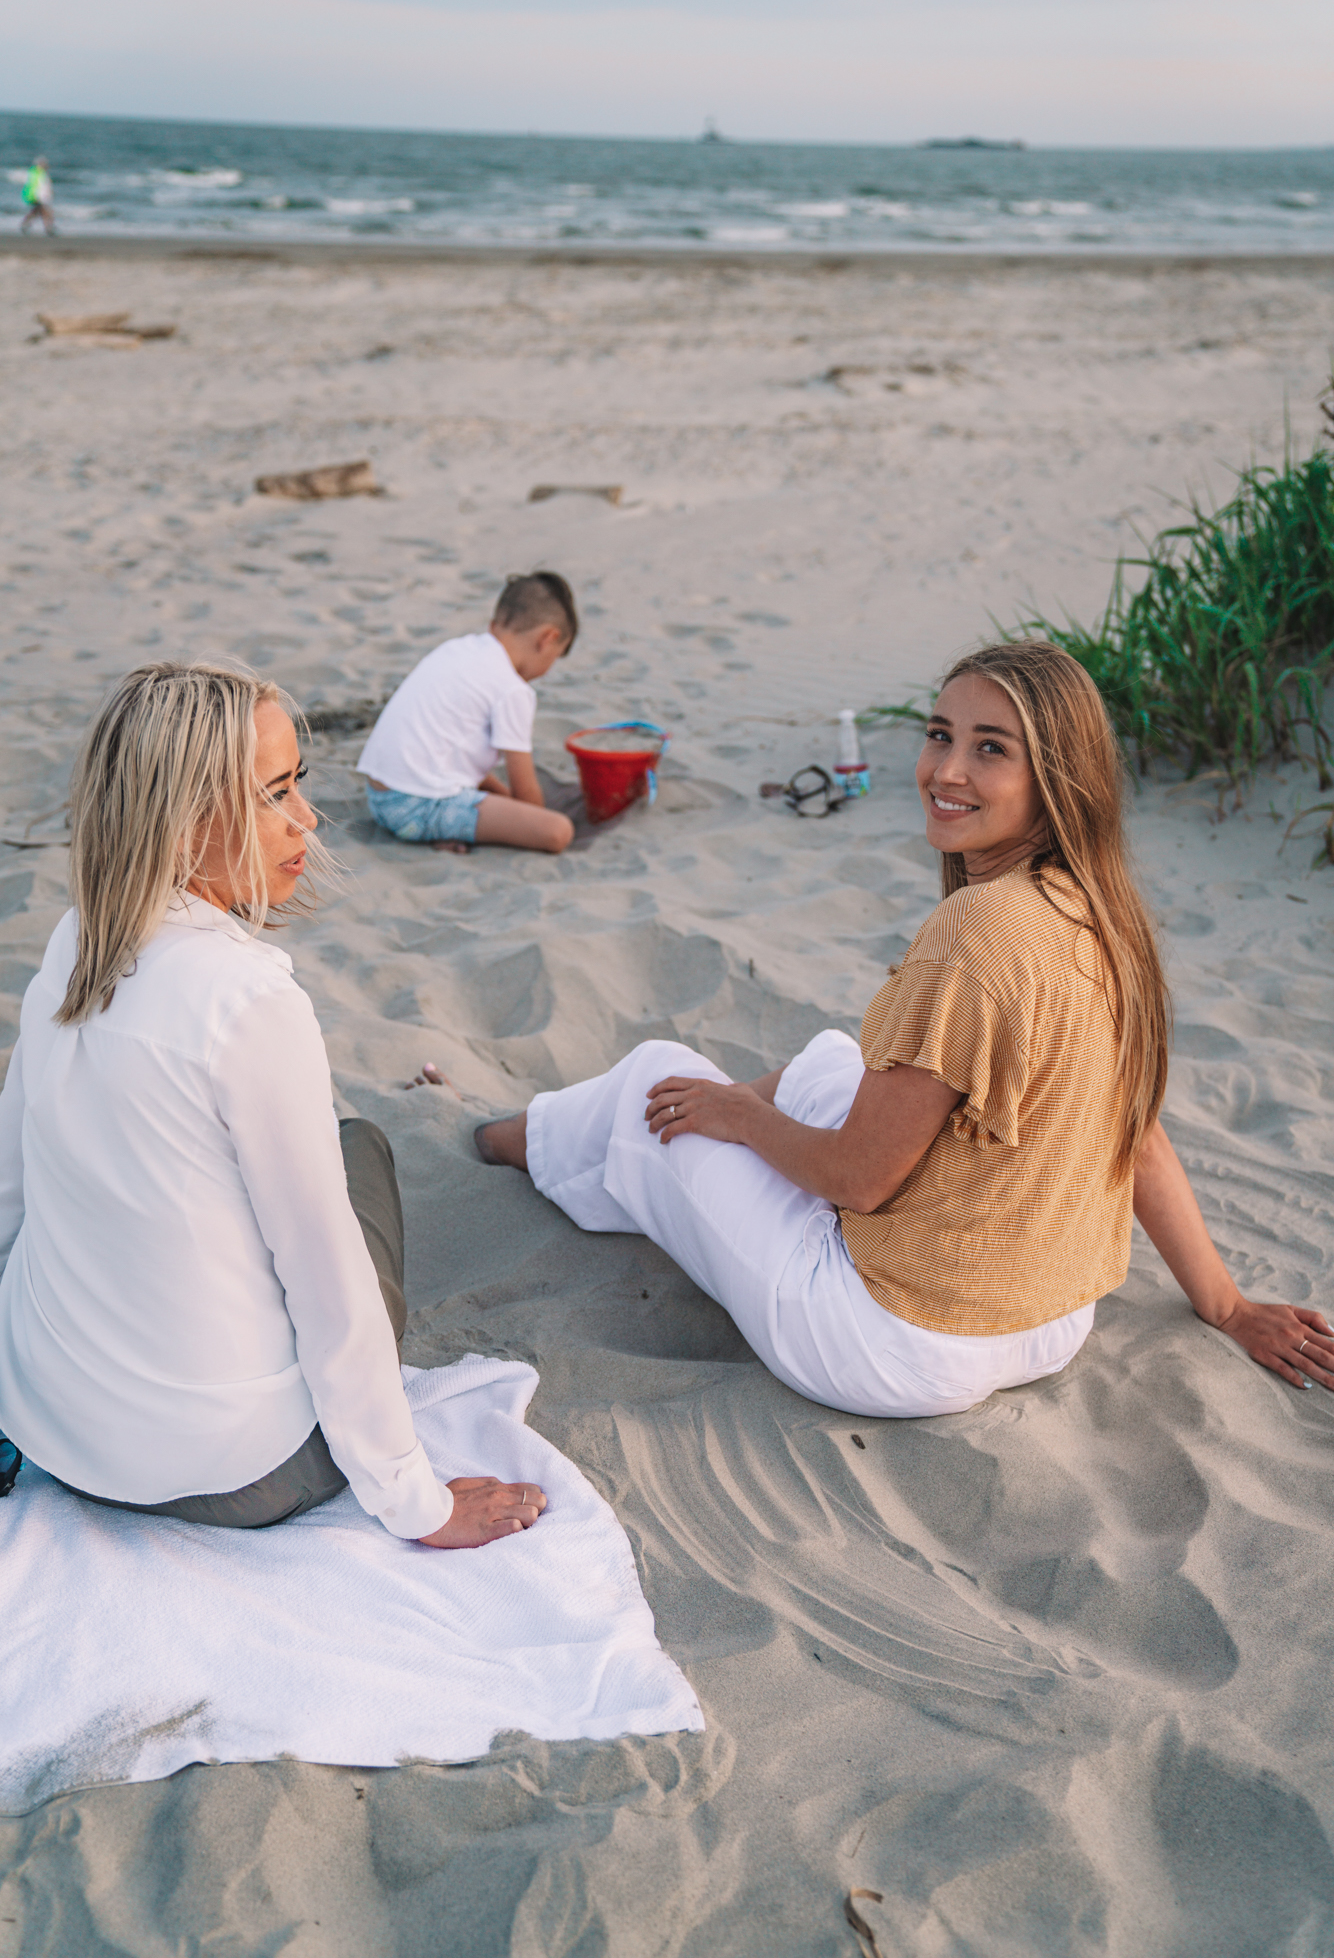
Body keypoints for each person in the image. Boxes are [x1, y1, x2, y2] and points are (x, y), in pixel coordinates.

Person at [475, 641, 1334, 1415]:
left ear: (1056, 778)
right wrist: (1224, 1303)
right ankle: (612, 1156)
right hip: (1052, 1320)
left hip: (890, 1341)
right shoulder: (1102, 911)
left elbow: (859, 1181)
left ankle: (507, 1140)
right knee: (829, 1058)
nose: (946, 770)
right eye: (939, 735)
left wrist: (738, 1116)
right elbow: (1136, 1136)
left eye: (990, 748)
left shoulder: (976, 930)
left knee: (655, 1078)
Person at [0, 662, 545, 1544]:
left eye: (300, 786)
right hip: (229, 1473)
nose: (307, 820)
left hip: (56, 1427)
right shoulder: (248, 1002)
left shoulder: (75, 937)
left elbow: (10, 1178)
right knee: (359, 1149)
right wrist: (418, 1501)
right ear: (185, 826)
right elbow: (329, 1282)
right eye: (275, 794)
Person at [357, 572, 578, 856]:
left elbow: (457, 758)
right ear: (548, 639)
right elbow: (526, 793)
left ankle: (446, 826)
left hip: (380, 799)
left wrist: (503, 803)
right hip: (415, 809)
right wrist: (529, 819)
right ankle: (440, 827)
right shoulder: (512, 688)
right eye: (555, 658)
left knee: (495, 801)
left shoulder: (457, 650)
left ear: (495, 624)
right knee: (558, 831)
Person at [20, 157, 54, 235]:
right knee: (45, 212)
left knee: (36, 212)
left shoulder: (33, 172)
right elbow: (41, 186)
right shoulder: (39, 173)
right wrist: (44, 197)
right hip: (37, 197)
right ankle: (49, 228)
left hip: (34, 196)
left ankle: (25, 224)